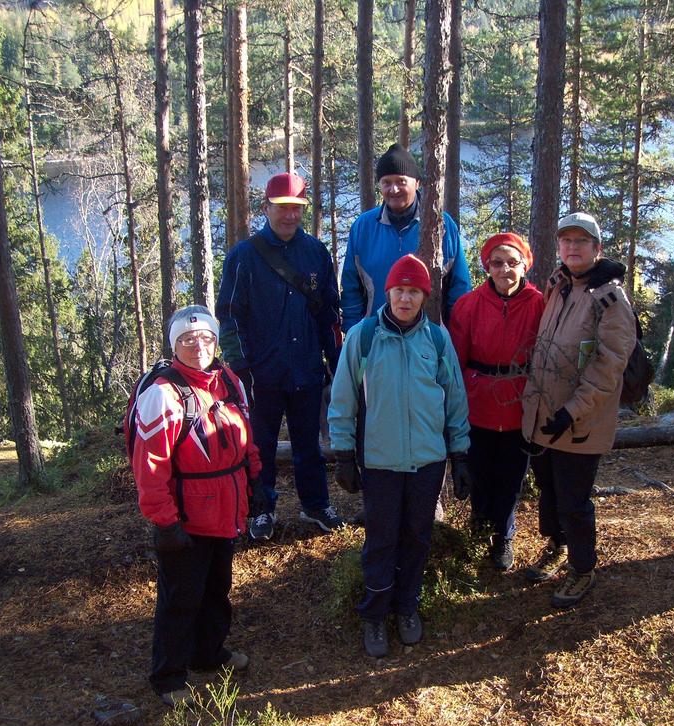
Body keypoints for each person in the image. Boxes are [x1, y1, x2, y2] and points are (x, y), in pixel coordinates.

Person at [328, 255, 472, 658]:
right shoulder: (364, 336)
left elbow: (455, 400)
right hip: (380, 461)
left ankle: (407, 607)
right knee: (381, 540)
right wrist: (343, 453)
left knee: (416, 537)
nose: (405, 298)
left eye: (414, 291)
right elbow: (342, 399)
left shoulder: (438, 340)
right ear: (387, 292)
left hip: (428, 461)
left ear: (425, 296)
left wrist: (460, 454)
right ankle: (374, 614)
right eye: (399, 290)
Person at [132, 305, 261, 706]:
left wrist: (254, 482)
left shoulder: (228, 382)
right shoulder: (162, 394)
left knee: (217, 588)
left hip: (227, 508)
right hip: (186, 518)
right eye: (187, 340)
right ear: (174, 346)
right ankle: (168, 676)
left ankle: (208, 652)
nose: (198, 346)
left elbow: (245, 439)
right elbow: (149, 468)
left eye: (206, 338)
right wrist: (165, 522)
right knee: (181, 597)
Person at [216, 172, 345, 542]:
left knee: (310, 445)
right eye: (282, 208)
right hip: (262, 374)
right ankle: (262, 509)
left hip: (306, 369)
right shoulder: (244, 256)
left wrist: (334, 362)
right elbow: (229, 314)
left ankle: (315, 505)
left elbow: (328, 314)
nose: (290, 215)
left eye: (297, 209)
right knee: (260, 447)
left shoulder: (316, 253)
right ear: (266, 207)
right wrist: (242, 369)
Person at [522, 213, 637, 608]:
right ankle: (557, 546)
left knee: (573, 501)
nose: (572, 247)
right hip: (544, 419)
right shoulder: (560, 287)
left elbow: (609, 368)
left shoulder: (610, 299)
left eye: (581, 241)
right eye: (566, 240)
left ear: (597, 248)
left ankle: (582, 568)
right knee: (550, 493)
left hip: (579, 422)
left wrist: (571, 412)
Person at [448, 233, 544, 571]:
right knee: (480, 474)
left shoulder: (539, 304)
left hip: (520, 404)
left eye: (512, 262)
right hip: (478, 403)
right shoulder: (468, 305)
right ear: (487, 266)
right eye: (497, 262)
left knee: (511, 477)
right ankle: (479, 528)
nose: (505, 269)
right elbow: (456, 361)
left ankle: (503, 536)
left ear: (524, 264)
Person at [340, 143, 472, 333]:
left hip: (429, 340)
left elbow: (459, 290)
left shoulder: (441, 224)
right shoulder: (364, 227)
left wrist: (456, 339)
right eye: (386, 182)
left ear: (416, 182)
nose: (393, 189)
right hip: (376, 339)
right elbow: (351, 288)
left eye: (401, 181)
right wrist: (354, 336)